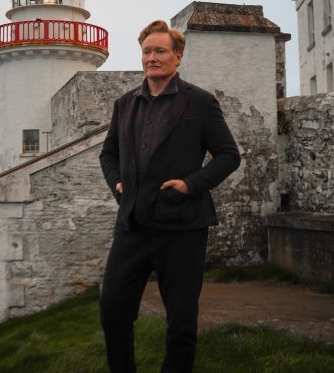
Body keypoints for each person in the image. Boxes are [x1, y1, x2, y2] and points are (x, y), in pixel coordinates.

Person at [98, 19, 241, 373]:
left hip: (182, 227)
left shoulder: (201, 103)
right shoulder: (124, 104)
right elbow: (108, 154)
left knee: (180, 322)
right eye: (146, 51)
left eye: (160, 51)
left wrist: (191, 185)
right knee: (112, 308)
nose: (152, 58)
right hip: (132, 224)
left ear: (177, 57)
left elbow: (228, 155)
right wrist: (117, 183)